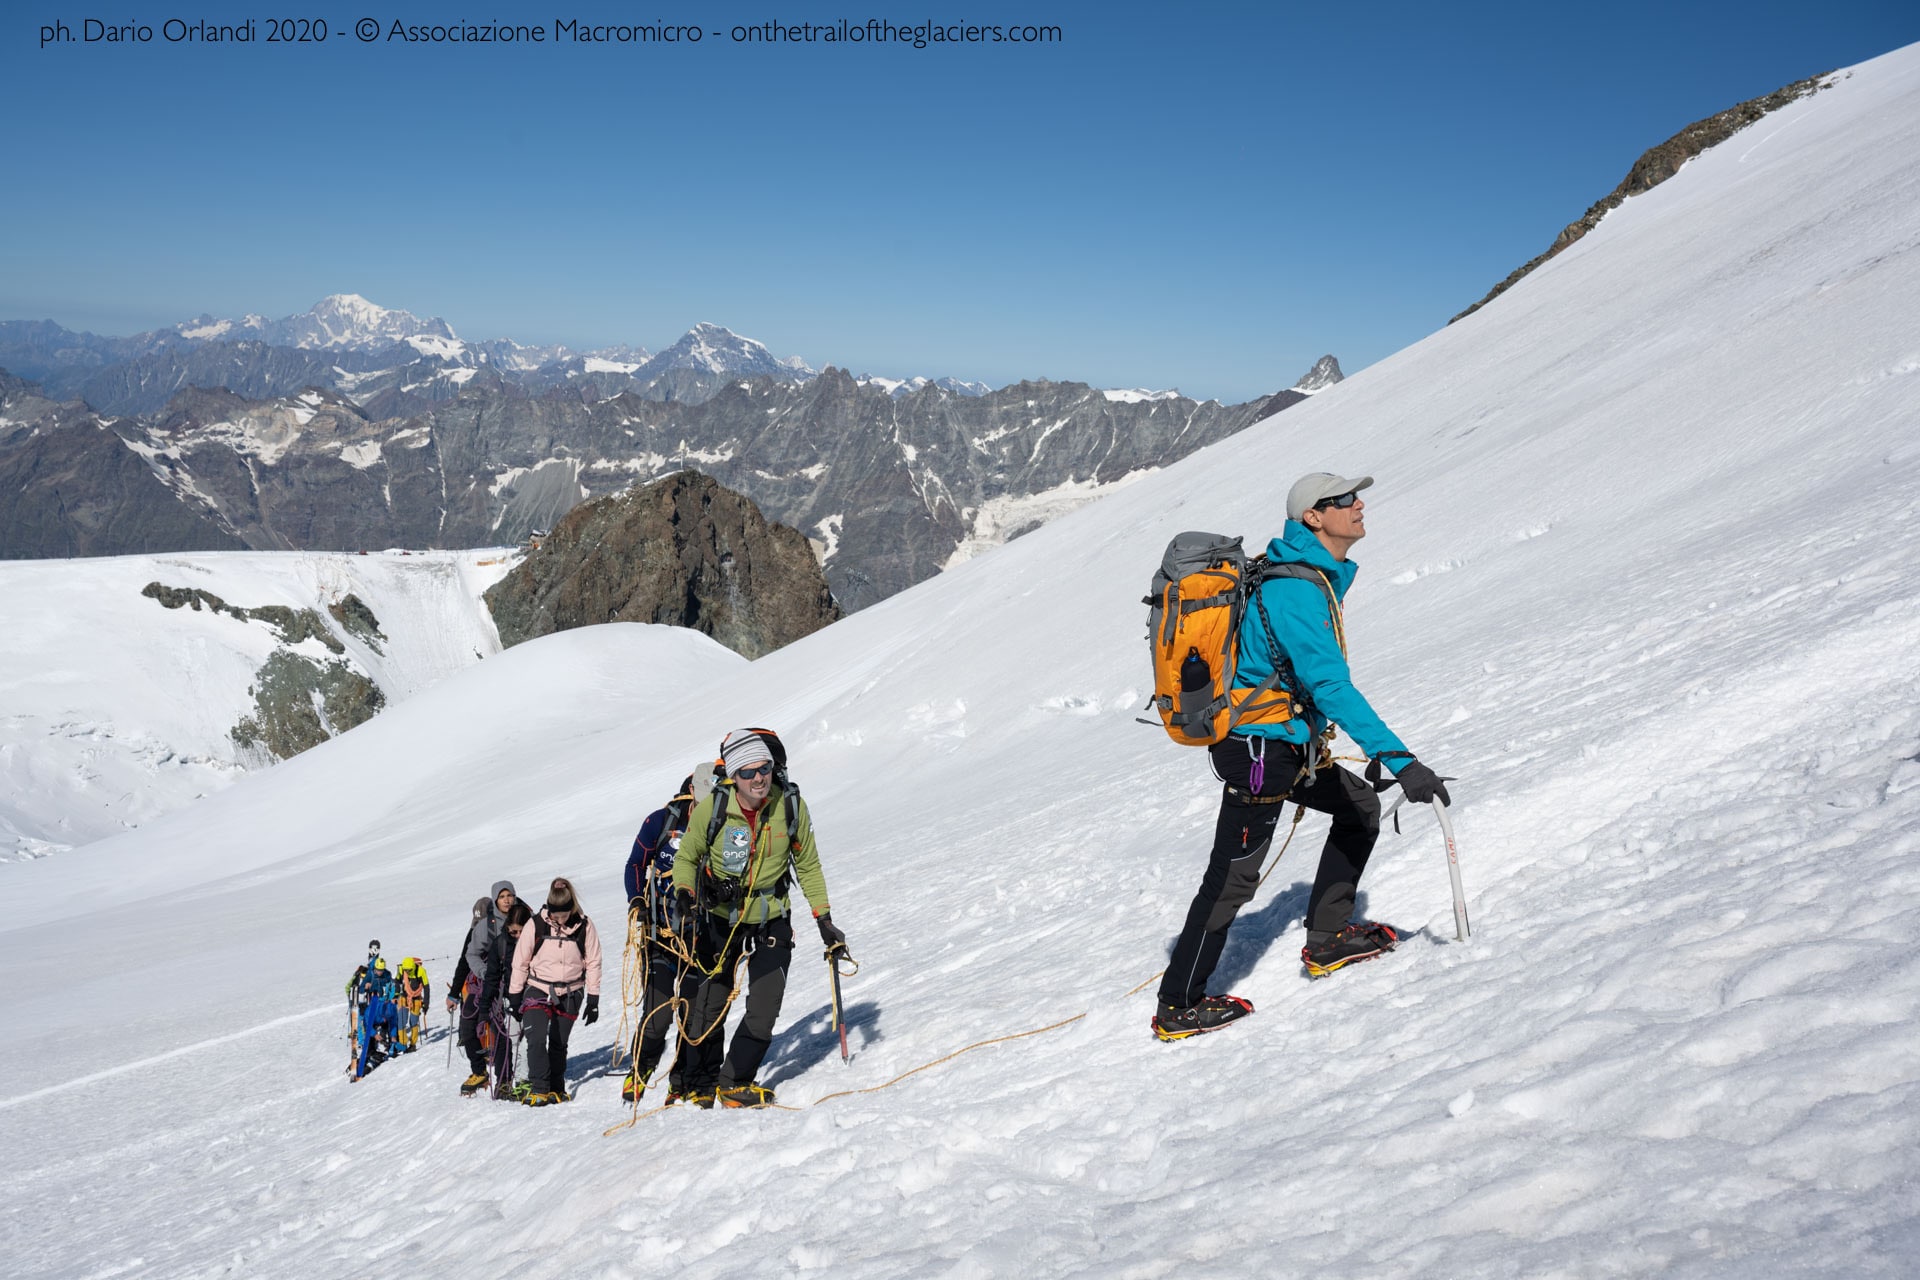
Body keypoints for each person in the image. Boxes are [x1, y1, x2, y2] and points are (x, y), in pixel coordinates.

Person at [1153, 473, 1453, 1041]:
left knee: (1359, 806)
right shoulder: (1295, 589)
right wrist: (1401, 761)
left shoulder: (1309, 575)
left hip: (1284, 746)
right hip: (1260, 752)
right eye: (1343, 501)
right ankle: (1178, 1006)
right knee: (1233, 878)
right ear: (1313, 517)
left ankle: (1328, 939)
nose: (1358, 505)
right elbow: (1330, 686)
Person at [673, 729, 846, 1109]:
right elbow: (686, 857)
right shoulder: (713, 809)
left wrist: (824, 918)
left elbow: (808, 865)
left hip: (772, 916)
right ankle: (697, 1080)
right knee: (709, 1005)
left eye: (764, 768)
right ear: (734, 776)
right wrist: (685, 892)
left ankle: (735, 1082)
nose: (758, 778)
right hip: (721, 918)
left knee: (766, 1004)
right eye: (748, 772)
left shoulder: (791, 805)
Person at [620, 767, 714, 1103]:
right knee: (657, 1015)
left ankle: (681, 1080)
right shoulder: (660, 821)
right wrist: (636, 900)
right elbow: (634, 864)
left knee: (693, 1013)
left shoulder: (719, 825)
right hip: (659, 935)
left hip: (699, 936)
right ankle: (640, 1069)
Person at [508, 877, 602, 1106]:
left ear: (572, 908)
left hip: (571, 991)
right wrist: (514, 996)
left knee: (559, 1041)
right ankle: (539, 1088)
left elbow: (593, 962)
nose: (560, 920)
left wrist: (593, 997)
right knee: (537, 1038)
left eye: (564, 915)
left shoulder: (585, 926)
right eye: (556, 915)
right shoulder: (535, 925)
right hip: (538, 988)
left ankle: (556, 1088)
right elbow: (520, 961)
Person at [448, 882, 516, 1096]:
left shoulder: (520, 921)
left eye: (509, 895)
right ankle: (479, 1071)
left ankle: (504, 1079)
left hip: (507, 984)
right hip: (482, 984)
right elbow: (466, 960)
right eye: (502, 896)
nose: (506, 900)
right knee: (467, 1029)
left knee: (501, 1032)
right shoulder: (481, 928)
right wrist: (454, 993)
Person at [482, 901, 533, 1098]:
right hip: (509, 999)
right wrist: (485, 1006)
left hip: (534, 996)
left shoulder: (537, 942)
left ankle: (524, 1079)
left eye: (522, 932)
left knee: (530, 1039)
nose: (518, 936)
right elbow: (492, 977)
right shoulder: (501, 944)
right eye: (514, 932)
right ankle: (513, 1080)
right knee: (512, 1040)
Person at [395, 957, 430, 1052]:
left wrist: (426, 1004)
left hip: (416, 998)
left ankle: (413, 1044)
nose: (407, 972)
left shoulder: (421, 971)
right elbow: (397, 981)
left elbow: (426, 987)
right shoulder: (402, 969)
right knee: (401, 1021)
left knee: (413, 1022)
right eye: (406, 970)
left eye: (409, 970)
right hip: (404, 997)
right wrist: (397, 993)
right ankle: (403, 1043)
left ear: (413, 967)